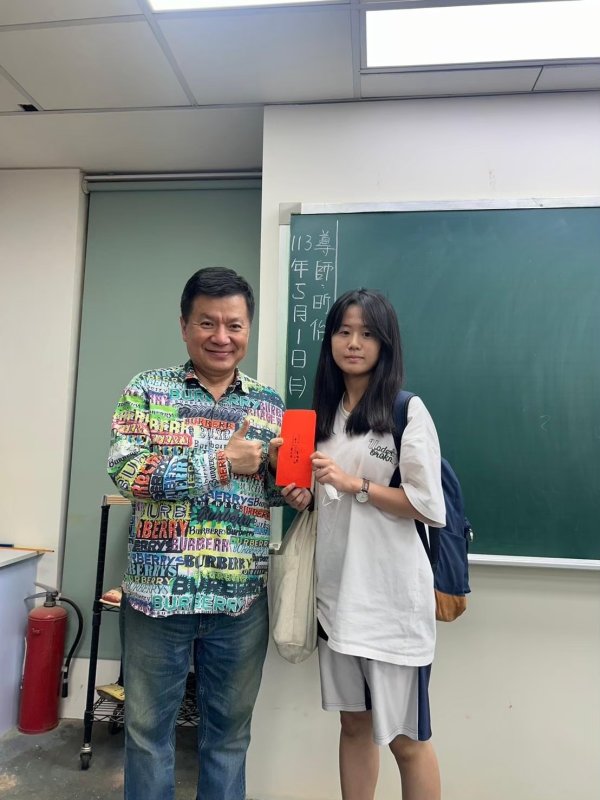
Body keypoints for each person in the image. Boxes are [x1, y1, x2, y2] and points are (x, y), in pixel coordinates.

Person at [107, 267, 288, 800]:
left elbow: (270, 495)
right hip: (156, 598)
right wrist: (220, 462)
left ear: (248, 329)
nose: (221, 336)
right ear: (185, 326)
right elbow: (128, 472)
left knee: (229, 739)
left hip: (240, 600)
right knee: (147, 736)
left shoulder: (268, 404)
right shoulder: (146, 390)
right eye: (207, 323)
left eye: (234, 325)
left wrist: (287, 483)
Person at [284, 289, 446, 800]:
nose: (353, 343)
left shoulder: (405, 410)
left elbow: (428, 505)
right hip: (336, 599)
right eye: (344, 331)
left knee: (406, 741)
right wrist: (303, 497)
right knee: (353, 725)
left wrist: (356, 484)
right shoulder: (319, 416)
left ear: (385, 343)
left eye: (367, 333)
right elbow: (324, 500)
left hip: (390, 602)